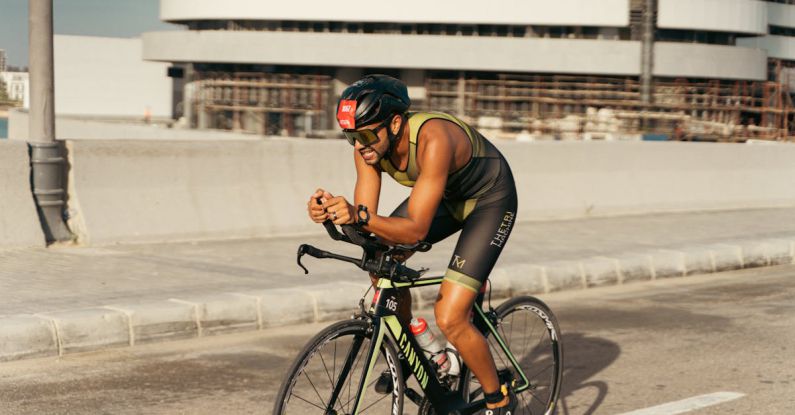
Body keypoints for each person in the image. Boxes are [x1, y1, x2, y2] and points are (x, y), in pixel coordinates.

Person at [306, 74, 518, 414]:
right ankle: (421, 354)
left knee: (450, 316)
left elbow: (415, 230)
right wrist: (334, 214)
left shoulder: (434, 139)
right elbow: (368, 223)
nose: (358, 145)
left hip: (489, 202)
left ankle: (500, 399)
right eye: (350, 137)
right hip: (447, 200)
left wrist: (358, 216)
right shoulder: (367, 146)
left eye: (363, 135)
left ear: (393, 123)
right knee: (379, 259)